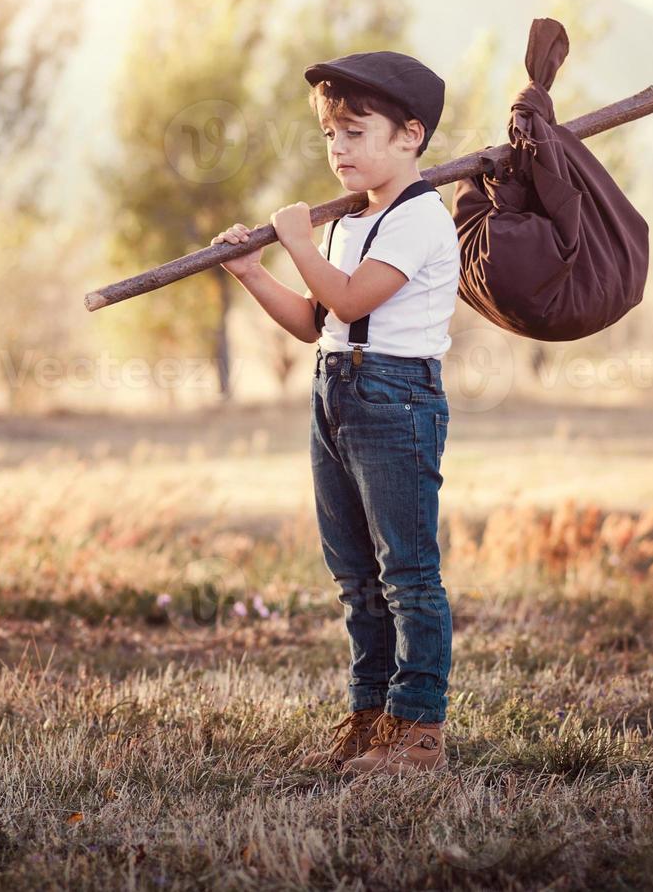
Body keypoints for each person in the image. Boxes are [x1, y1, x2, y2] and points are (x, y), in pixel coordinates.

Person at [210, 50, 459, 776]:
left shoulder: (419, 220)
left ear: (410, 135)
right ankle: (370, 714)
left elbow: (352, 300)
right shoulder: (349, 221)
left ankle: (417, 734)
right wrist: (255, 271)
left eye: (356, 133)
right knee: (355, 575)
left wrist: (293, 242)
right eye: (330, 137)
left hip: (395, 397)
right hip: (334, 389)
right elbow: (319, 319)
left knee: (407, 574)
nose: (339, 150)